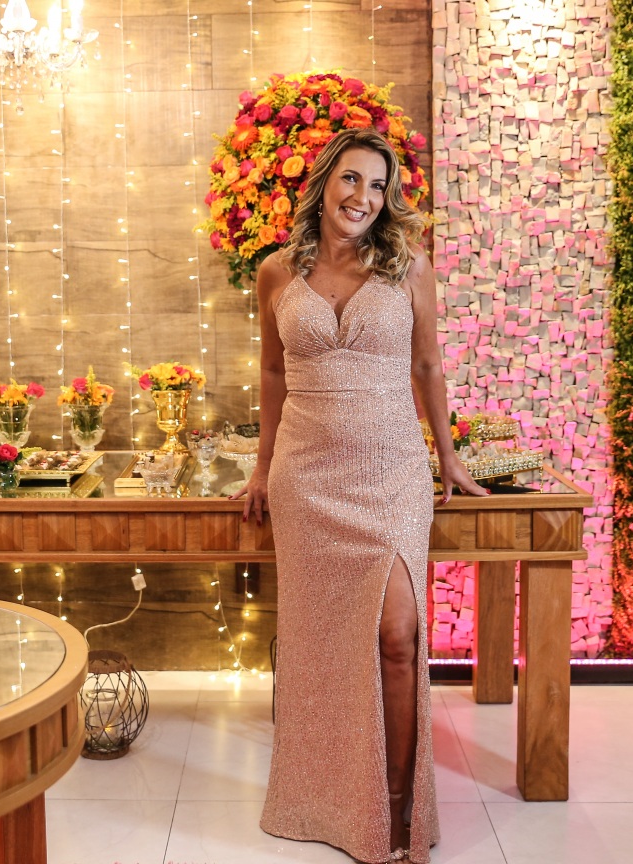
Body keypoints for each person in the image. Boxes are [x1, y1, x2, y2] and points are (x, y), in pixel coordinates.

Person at [232, 127, 488, 863]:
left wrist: (448, 458)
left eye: (378, 186)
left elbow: (429, 367)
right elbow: (273, 373)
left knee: (399, 637)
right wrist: (262, 468)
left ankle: (399, 813)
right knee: (322, 644)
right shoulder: (276, 272)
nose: (364, 198)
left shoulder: (410, 267)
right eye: (352, 179)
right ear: (324, 184)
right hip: (307, 476)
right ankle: (330, 803)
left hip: (391, 470)